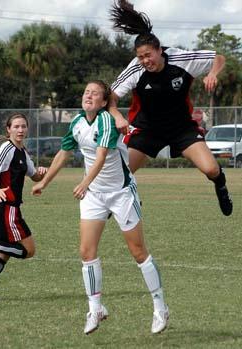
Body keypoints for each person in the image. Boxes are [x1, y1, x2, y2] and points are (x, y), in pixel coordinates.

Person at [32, 80, 169, 335]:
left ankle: (160, 307)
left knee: (138, 252)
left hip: (120, 193)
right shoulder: (77, 123)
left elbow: (103, 155)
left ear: (104, 102)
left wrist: (84, 182)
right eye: (86, 92)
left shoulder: (106, 120)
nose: (89, 95)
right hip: (94, 195)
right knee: (86, 252)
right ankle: (95, 308)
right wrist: (45, 183)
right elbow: (64, 153)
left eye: (95, 93)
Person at [109, 0, 232, 216]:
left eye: (148, 55)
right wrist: (117, 116)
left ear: (160, 50)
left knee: (211, 169)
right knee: (120, 175)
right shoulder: (135, 68)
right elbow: (110, 98)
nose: (145, 61)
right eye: (140, 57)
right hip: (147, 129)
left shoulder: (181, 59)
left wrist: (212, 73)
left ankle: (221, 186)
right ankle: (122, 201)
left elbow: (218, 58)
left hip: (181, 128)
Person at [0, 112, 47, 303]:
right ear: (8, 129)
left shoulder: (22, 152)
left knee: (4, 253)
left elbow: (34, 176)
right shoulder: (8, 148)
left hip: (6, 208)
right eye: (16, 126)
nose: (20, 130)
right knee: (27, 251)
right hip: (5, 208)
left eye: (23, 126)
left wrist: (43, 172)